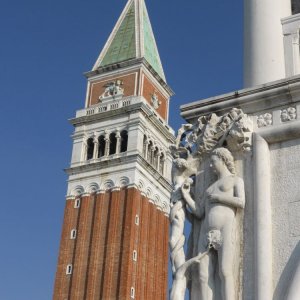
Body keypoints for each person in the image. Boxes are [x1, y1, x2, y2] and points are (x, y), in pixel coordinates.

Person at [181, 147, 245, 300]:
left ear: (223, 160)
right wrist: (185, 194)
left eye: (214, 162)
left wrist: (220, 199)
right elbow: (199, 211)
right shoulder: (210, 188)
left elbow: (241, 202)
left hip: (226, 227)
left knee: (225, 270)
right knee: (203, 275)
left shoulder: (235, 180)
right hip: (206, 231)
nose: (211, 165)